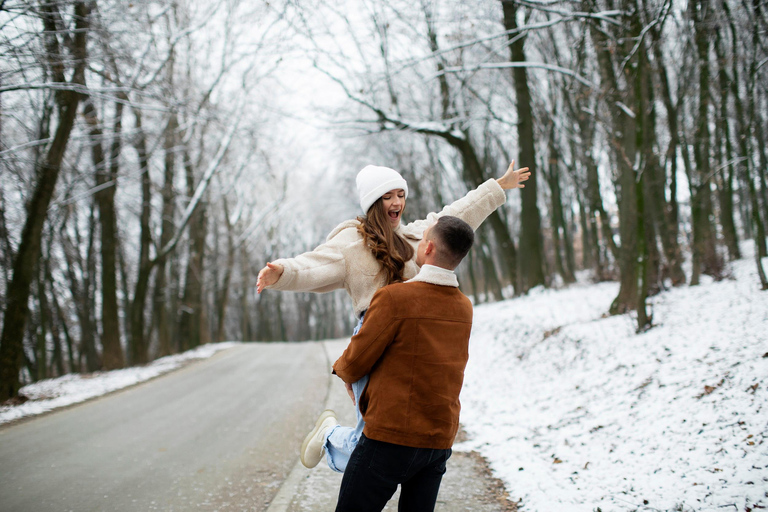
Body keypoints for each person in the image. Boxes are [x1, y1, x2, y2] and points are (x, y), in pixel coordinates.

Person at [257, 162, 530, 473]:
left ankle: (358, 456)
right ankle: (331, 437)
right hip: (372, 340)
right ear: (374, 202)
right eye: (388, 196)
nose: (398, 203)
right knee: (372, 440)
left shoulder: (417, 236)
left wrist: (497, 187)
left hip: (412, 342)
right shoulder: (351, 244)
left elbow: (459, 214)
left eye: (401, 195)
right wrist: (282, 272)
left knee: (400, 438)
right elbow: (311, 266)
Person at [328, 216, 476, 512]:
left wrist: (343, 371)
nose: (419, 244)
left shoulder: (396, 298)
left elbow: (358, 357)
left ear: (429, 247)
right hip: (438, 439)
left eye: (422, 240)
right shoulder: (464, 307)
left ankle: (329, 437)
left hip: (391, 437)